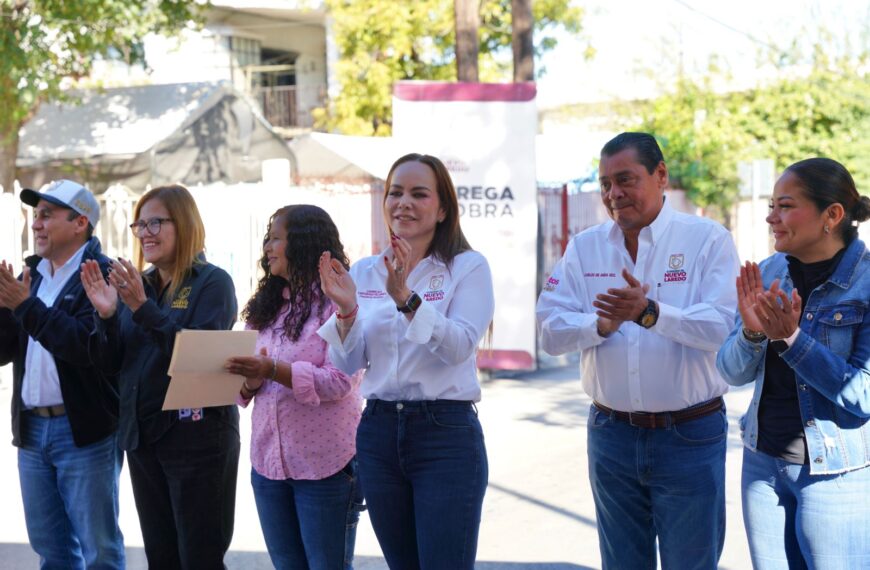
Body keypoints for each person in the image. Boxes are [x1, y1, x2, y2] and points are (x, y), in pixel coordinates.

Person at [536, 132, 740, 569]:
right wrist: (600, 325)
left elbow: (722, 327)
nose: (614, 193)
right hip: (611, 434)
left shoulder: (707, 239)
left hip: (689, 434)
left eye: (625, 179)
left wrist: (650, 313)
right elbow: (550, 331)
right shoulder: (585, 247)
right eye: (605, 183)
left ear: (660, 175)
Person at [318, 153, 494, 569]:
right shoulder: (365, 271)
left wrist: (406, 300)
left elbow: (459, 347)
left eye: (419, 194)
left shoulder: (467, 267)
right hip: (378, 432)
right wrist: (346, 311)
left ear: (443, 209)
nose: (404, 203)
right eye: (395, 193)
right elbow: (348, 363)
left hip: (444, 433)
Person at [716, 158, 870, 569]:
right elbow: (731, 372)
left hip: (837, 475)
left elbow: (863, 394)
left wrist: (792, 339)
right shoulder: (768, 273)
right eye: (772, 206)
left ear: (831, 215)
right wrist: (752, 334)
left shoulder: (866, 283)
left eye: (785, 206)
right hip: (762, 467)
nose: (771, 217)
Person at [81, 184, 240, 569]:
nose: (146, 233)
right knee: (162, 558)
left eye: (156, 223)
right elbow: (110, 364)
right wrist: (106, 316)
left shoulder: (212, 282)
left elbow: (199, 357)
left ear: (183, 224)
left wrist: (141, 308)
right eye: (140, 225)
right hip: (144, 438)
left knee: (199, 558)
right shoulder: (141, 284)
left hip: (197, 440)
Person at [224, 204, 364, 570]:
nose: (267, 247)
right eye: (267, 239)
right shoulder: (265, 307)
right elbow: (244, 384)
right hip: (268, 465)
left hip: (325, 467)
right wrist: (252, 380)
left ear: (303, 243)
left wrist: (273, 369)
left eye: (276, 239)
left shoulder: (339, 303)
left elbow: (339, 381)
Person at [0, 180, 125, 568]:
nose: (36, 224)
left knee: (99, 551)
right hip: (32, 430)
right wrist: (5, 308)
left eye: (47, 214)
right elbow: (5, 350)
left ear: (80, 222)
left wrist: (25, 307)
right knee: (50, 550)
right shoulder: (32, 274)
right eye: (35, 215)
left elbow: (85, 348)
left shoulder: (102, 274)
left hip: (83, 432)